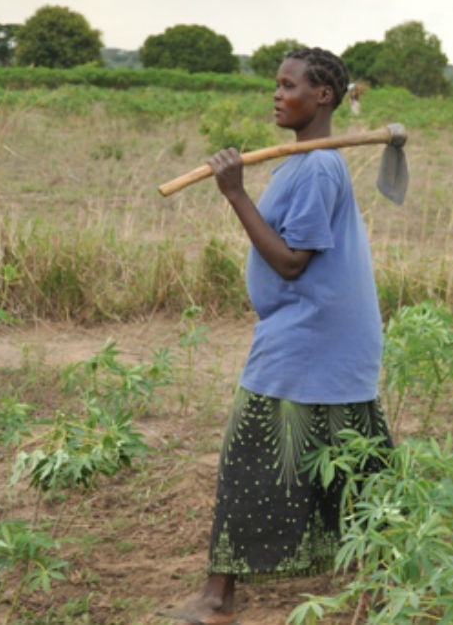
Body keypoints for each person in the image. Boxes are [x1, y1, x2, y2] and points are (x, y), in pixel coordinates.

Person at [161, 47, 392, 625]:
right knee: (354, 466)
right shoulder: (302, 161)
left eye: (289, 85)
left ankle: (217, 598)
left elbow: (292, 263)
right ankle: (388, 585)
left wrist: (235, 193)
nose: (277, 94)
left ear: (324, 98)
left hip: (310, 338)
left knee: (252, 457)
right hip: (322, 339)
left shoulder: (316, 166)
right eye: (277, 84)